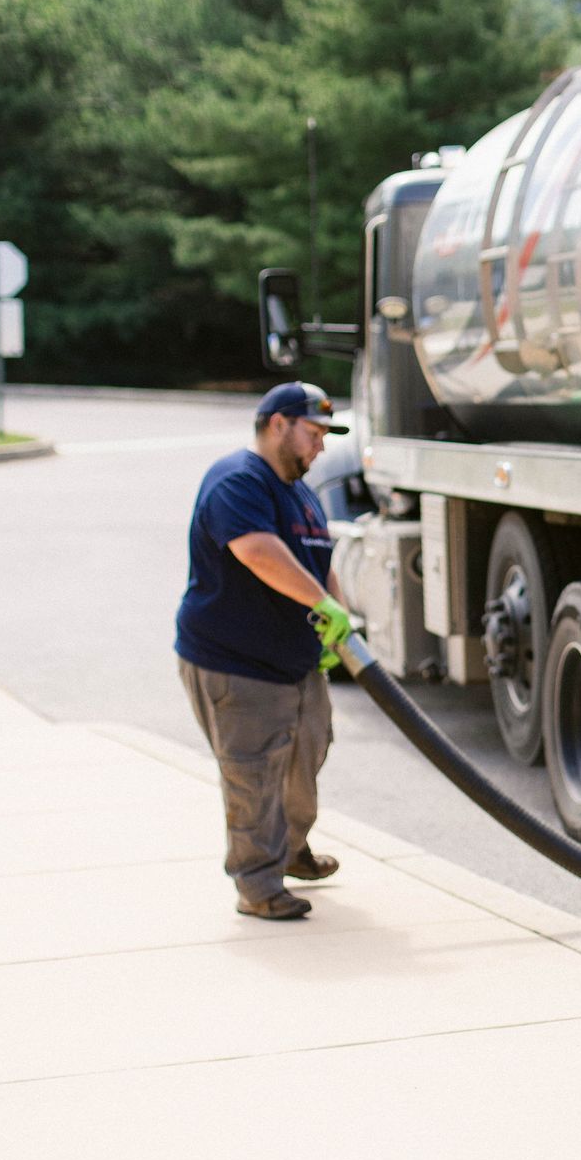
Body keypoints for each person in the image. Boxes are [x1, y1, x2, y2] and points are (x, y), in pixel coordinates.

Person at [176, 381, 354, 921]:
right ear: (278, 424)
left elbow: (318, 562)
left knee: (306, 756)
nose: (321, 445)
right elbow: (257, 551)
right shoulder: (238, 480)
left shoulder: (301, 493)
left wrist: (340, 625)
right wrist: (323, 603)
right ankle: (257, 885)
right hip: (236, 661)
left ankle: (290, 851)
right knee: (253, 772)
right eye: (314, 432)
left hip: (295, 663)